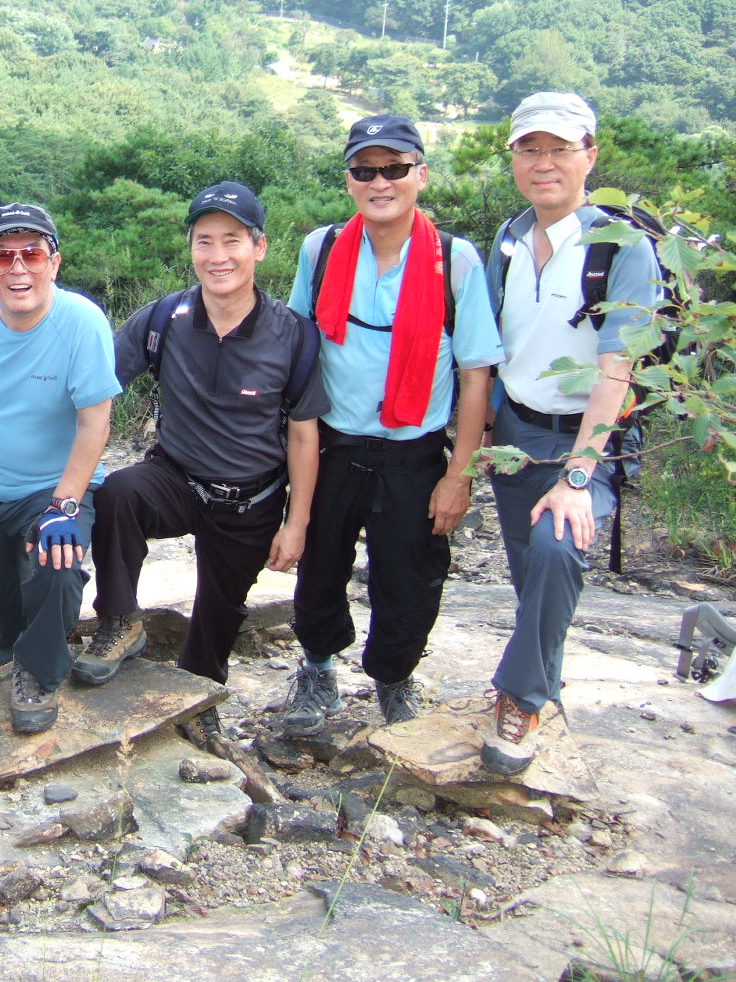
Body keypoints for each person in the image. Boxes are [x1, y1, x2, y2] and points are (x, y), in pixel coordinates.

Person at [80, 182, 330, 744]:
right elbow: (95, 384)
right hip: (176, 477)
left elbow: (303, 435)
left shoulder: (292, 335)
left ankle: (199, 695)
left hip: (251, 497)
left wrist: (296, 523)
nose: (218, 256)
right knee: (119, 493)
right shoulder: (164, 319)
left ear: (259, 247)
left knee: (220, 607)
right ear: (191, 248)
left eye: (232, 240)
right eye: (204, 241)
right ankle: (119, 620)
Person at [282, 116, 503, 734]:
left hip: (414, 453)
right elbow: (297, 346)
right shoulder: (322, 249)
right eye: (365, 170)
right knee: (319, 568)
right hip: (331, 446)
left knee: (411, 577)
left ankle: (394, 676)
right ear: (349, 180)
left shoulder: (455, 260)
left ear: (420, 175)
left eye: (395, 168)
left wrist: (459, 476)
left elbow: (476, 375)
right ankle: (317, 666)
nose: (380, 182)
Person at [480, 92, 659, 775]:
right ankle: (543, 689)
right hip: (516, 432)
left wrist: (579, 476)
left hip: (589, 438)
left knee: (558, 548)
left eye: (560, 149)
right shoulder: (508, 240)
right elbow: (491, 351)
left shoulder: (621, 246)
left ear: (590, 155)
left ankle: (520, 699)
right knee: (533, 578)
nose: (544, 163)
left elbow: (618, 368)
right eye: (530, 149)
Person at [0, 203, 121, 733]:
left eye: (33, 254)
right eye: (3, 256)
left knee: (57, 569)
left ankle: (38, 673)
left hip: (53, 485)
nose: (18, 268)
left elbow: (95, 424)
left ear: (54, 263)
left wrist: (64, 505)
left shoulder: (82, 322)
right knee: (3, 584)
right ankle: (6, 643)